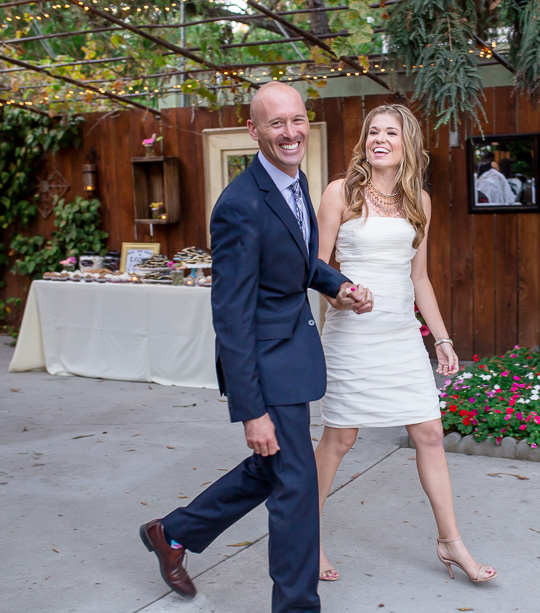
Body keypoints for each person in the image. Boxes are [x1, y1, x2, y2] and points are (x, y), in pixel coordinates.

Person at [138, 82, 371, 612]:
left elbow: (297, 260)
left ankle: (172, 533)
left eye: (296, 121)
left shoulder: (294, 180)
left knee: (274, 469)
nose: (289, 133)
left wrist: (338, 284)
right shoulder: (239, 205)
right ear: (254, 131)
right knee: (295, 484)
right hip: (268, 365)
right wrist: (252, 411)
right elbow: (233, 316)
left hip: (293, 352)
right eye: (275, 123)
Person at [312, 104, 497, 585]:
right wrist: (342, 293)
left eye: (389, 132)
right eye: (373, 131)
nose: (379, 138)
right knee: (340, 439)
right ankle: (304, 536)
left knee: (431, 435)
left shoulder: (420, 200)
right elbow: (314, 266)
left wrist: (442, 338)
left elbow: (419, 278)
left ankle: (450, 541)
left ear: (407, 143)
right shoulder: (341, 193)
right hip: (351, 335)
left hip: (400, 337)